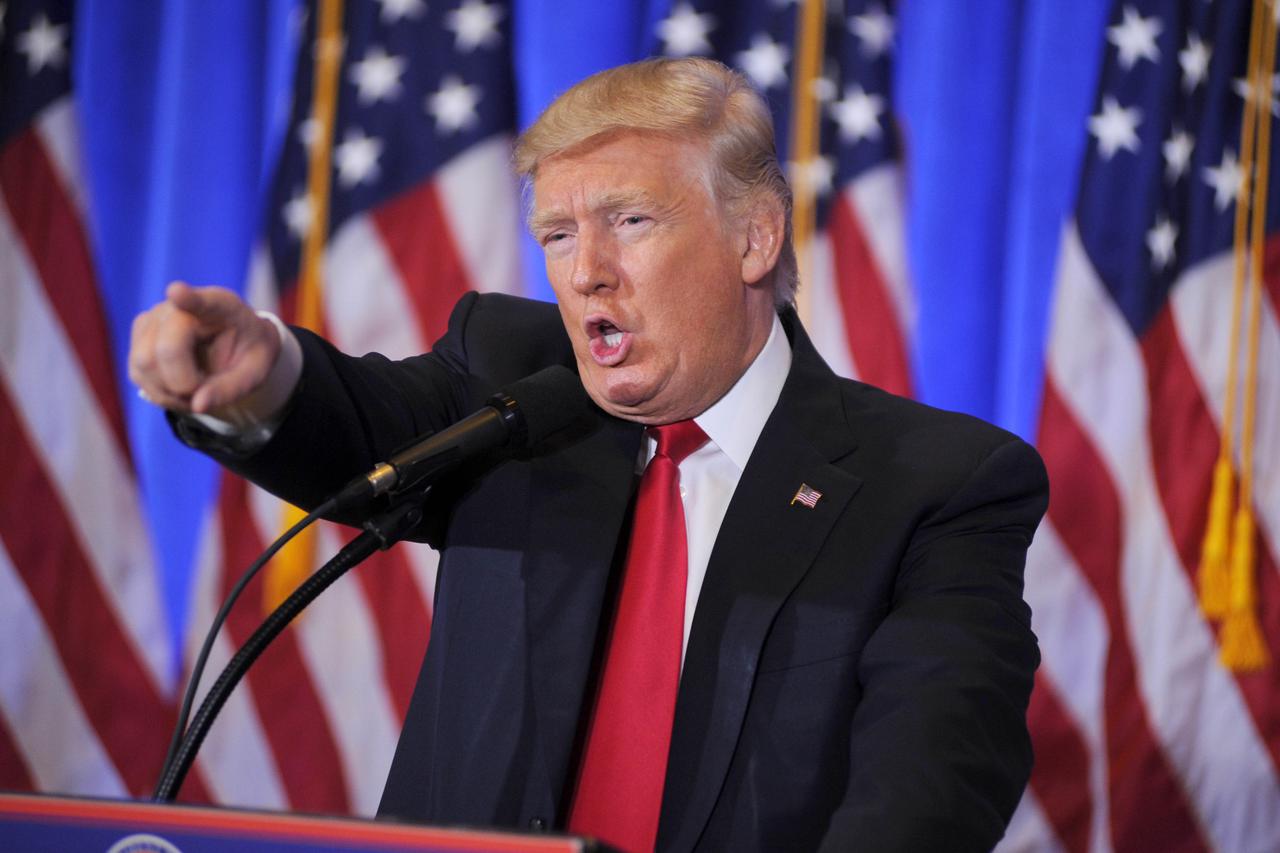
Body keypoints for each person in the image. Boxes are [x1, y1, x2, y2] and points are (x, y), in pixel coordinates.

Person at [130, 57, 1048, 853]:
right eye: (559, 235)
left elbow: (931, 786)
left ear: (754, 236)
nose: (584, 272)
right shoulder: (516, 390)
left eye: (630, 221)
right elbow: (361, 422)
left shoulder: (934, 484)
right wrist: (261, 378)